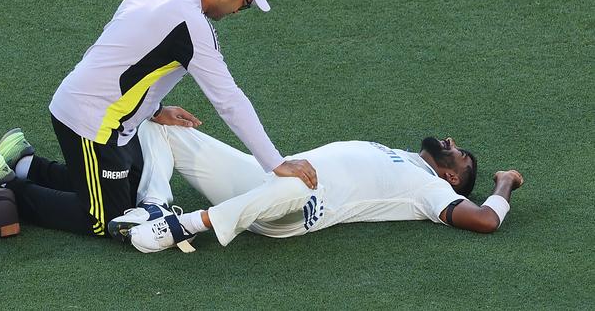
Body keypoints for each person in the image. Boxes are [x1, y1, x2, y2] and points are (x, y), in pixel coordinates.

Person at [0, 0, 317, 237]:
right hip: (93, 122)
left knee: (129, 188)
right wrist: (276, 163)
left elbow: (130, 48)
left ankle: (21, 161)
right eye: (243, 5)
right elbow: (229, 101)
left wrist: (155, 109)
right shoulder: (193, 25)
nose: (236, 13)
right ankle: (5, 190)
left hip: (90, 107)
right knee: (107, 218)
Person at [108, 122, 525, 253]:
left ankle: (187, 227)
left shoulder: (433, 191)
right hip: (264, 180)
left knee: (300, 186)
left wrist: (504, 182)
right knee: (160, 125)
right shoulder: (400, 155)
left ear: (453, 178)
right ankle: (154, 207)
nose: (452, 143)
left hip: (298, 209)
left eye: (461, 155)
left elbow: (486, 220)